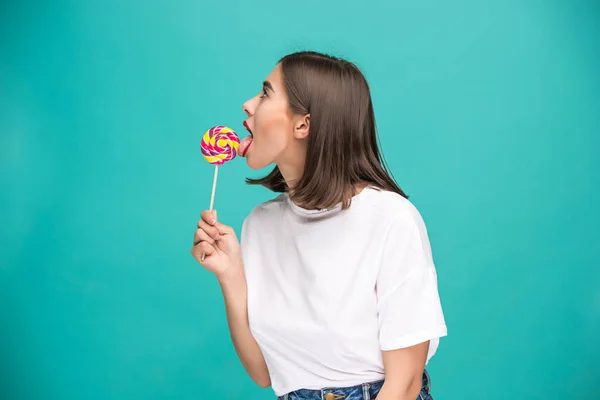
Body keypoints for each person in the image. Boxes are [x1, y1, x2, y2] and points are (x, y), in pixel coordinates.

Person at [191, 51, 447, 400]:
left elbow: (402, 385)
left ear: (303, 125)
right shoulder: (260, 224)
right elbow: (265, 373)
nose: (248, 105)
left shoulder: (390, 218)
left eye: (266, 93)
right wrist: (230, 273)